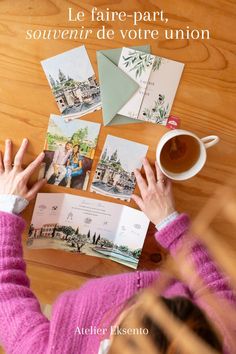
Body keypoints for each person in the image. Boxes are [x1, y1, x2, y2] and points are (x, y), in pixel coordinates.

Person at [0, 138, 234, 354]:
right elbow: (214, 289)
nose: (145, 297)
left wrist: (6, 208)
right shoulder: (218, 341)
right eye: (170, 301)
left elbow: (4, 291)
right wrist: (169, 222)